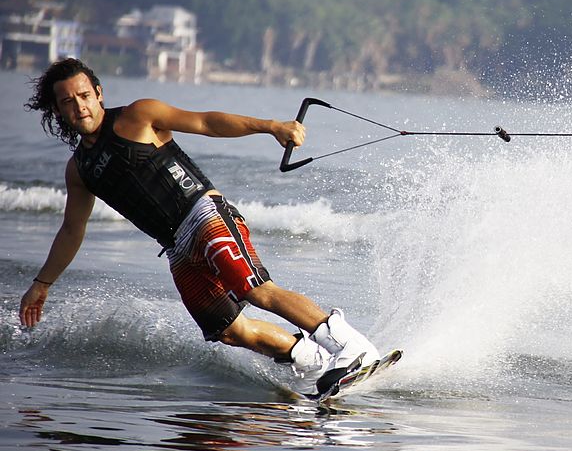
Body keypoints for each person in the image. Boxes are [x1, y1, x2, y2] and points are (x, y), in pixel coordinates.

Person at [18, 58, 380, 397]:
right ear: (58, 110)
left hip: (204, 215)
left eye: (84, 96)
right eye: (67, 102)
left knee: (256, 290)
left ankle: (350, 346)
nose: (79, 106)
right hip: (177, 248)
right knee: (230, 331)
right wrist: (42, 284)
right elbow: (71, 230)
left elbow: (207, 122)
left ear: (99, 93)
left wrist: (271, 127)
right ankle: (316, 364)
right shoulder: (79, 169)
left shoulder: (138, 116)